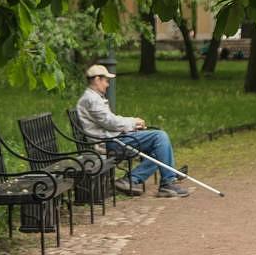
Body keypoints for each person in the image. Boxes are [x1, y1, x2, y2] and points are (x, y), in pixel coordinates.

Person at [75, 64, 190, 198]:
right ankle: (167, 182)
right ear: (96, 80)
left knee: (159, 146)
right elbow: (110, 122)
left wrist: (132, 123)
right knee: (160, 137)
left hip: (113, 139)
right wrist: (133, 123)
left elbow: (109, 120)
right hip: (109, 143)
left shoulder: (94, 97)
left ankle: (131, 180)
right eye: (106, 81)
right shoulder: (91, 99)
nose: (107, 85)